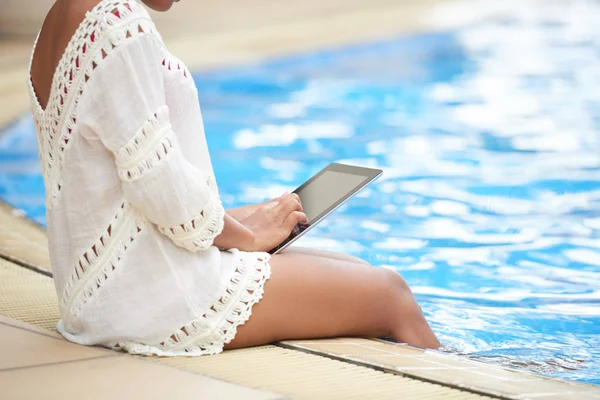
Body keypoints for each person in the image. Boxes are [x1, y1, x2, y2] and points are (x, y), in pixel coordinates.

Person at [28, 0, 440, 356]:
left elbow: (114, 188)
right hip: (150, 298)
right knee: (390, 294)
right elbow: (161, 190)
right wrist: (248, 237)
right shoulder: (119, 23)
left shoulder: (62, 19)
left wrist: (244, 220)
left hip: (100, 293)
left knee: (354, 268)